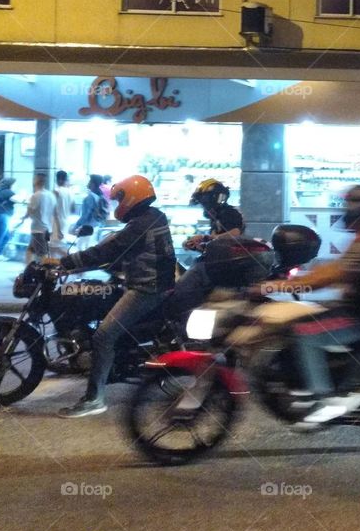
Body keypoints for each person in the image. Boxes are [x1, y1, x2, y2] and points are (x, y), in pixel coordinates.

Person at [55, 175, 176, 418]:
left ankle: (94, 399)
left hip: (147, 289)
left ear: (132, 197)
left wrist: (66, 262)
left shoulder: (141, 225)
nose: (117, 204)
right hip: (151, 284)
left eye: (120, 198)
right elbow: (120, 250)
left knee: (103, 335)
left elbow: (108, 249)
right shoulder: (153, 217)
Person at [269, 185, 360, 427]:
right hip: (359, 309)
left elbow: (331, 275)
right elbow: (337, 272)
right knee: (306, 319)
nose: (346, 208)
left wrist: (280, 286)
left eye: (350, 204)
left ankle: (324, 401)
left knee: (304, 334)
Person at [165, 179, 245, 322]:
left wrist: (205, 237)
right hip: (215, 264)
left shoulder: (229, 213)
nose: (204, 207)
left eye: (205, 203)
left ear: (216, 199)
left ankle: (181, 323)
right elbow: (216, 244)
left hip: (218, 267)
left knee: (180, 291)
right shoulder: (216, 218)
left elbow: (235, 234)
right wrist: (197, 246)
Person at [22, 173, 55, 265]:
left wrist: (24, 217)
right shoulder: (51, 195)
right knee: (30, 250)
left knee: (42, 254)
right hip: (47, 228)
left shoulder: (36, 196)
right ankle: (28, 269)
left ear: (36, 181)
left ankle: (46, 271)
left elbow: (30, 212)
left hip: (38, 229)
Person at [71, 175, 109, 251]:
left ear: (93, 184)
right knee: (89, 248)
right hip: (96, 226)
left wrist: (76, 227)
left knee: (80, 249)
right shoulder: (101, 196)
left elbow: (85, 216)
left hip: (87, 228)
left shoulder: (90, 198)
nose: (88, 183)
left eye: (89, 181)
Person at [51, 170, 72, 257]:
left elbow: (54, 211)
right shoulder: (70, 192)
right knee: (56, 247)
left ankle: (72, 261)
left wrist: (58, 229)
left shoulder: (56, 191)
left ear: (58, 179)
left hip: (57, 223)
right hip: (65, 221)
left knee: (54, 248)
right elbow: (73, 208)